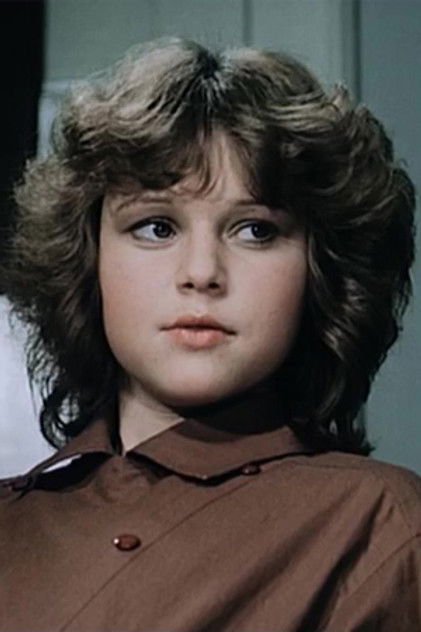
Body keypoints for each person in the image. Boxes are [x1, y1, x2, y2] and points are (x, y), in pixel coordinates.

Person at [0, 37, 420, 631]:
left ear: (321, 268)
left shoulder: (382, 525)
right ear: (87, 256)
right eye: (156, 227)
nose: (201, 272)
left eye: (255, 231)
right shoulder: (13, 527)